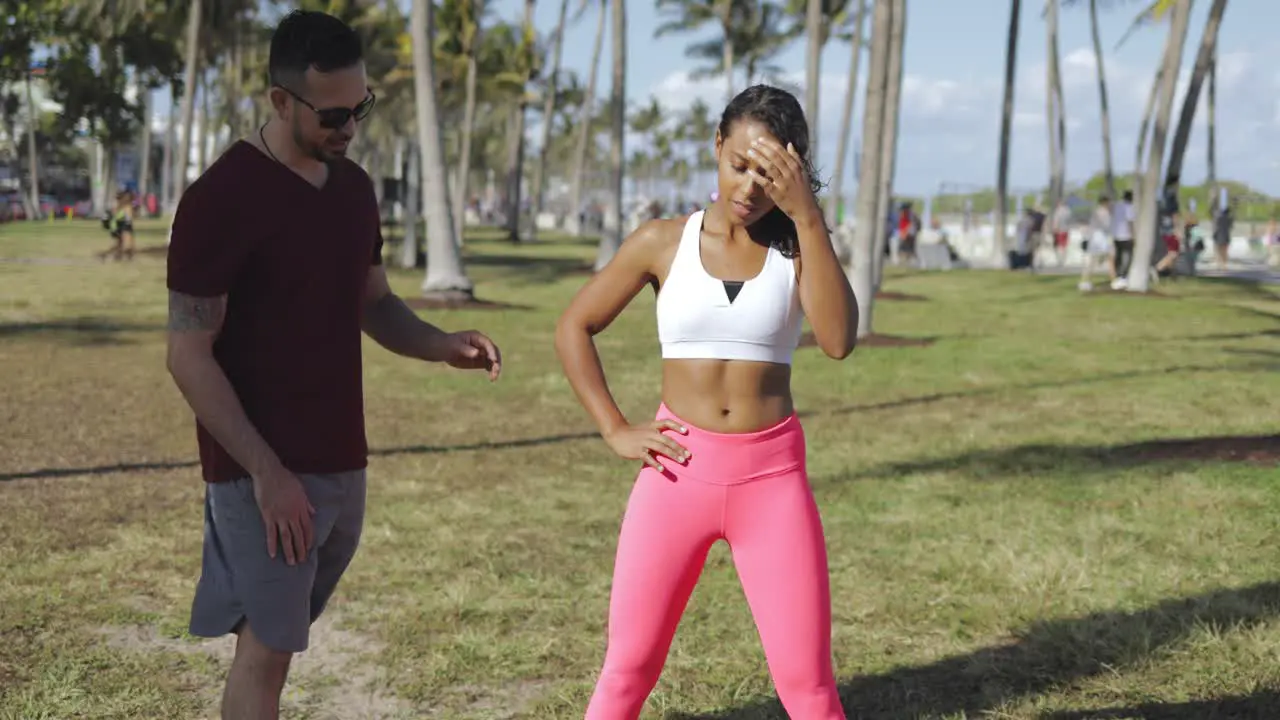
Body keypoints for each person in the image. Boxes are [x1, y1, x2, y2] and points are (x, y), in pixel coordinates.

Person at [164, 11, 502, 720]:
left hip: (343, 463)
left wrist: (441, 343)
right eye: (334, 113)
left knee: (276, 644)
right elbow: (187, 355)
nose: (349, 127)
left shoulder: (353, 190)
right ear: (280, 101)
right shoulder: (217, 201)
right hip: (262, 474)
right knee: (266, 653)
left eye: (361, 108)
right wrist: (266, 473)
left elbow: (372, 303)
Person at [555, 84, 856, 720]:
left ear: (793, 172)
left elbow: (837, 341)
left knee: (808, 686)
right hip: (675, 475)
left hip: (771, 481)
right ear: (716, 148)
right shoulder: (662, 241)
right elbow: (573, 326)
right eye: (738, 165)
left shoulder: (798, 248)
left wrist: (806, 217)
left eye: (769, 173)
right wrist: (614, 428)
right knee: (627, 671)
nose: (749, 187)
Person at [1079, 195, 1112, 292]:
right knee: (1094, 259)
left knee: (1094, 259)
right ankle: (1086, 281)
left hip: (1098, 236)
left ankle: (1086, 281)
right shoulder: (1101, 212)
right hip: (1098, 236)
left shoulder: (1100, 212)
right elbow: (1104, 225)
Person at [1110, 190, 1136, 289]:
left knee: (1118, 255)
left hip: (1116, 235)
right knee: (1127, 256)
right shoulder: (1129, 207)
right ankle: (1123, 276)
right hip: (1126, 235)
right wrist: (1133, 235)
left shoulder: (1117, 206)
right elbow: (1130, 222)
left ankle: (1117, 274)